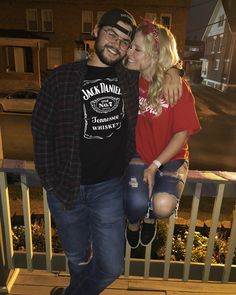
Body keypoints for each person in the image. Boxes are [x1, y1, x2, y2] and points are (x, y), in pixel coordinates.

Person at [31, 8, 181, 295]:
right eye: (112, 34)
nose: (117, 44)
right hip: (65, 189)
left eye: (125, 41)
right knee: (78, 259)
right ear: (96, 30)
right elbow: (41, 132)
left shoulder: (129, 78)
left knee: (111, 267)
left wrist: (176, 70)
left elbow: (158, 63)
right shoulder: (60, 79)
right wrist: (50, 181)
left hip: (109, 188)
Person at [124, 20, 201, 248]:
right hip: (140, 151)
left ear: (155, 54)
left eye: (137, 49)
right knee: (135, 204)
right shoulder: (130, 77)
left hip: (171, 156)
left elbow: (181, 135)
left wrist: (155, 165)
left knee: (162, 206)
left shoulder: (176, 87)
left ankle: (150, 218)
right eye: (131, 46)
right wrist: (174, 68)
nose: (129, 52)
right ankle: (133, 222)